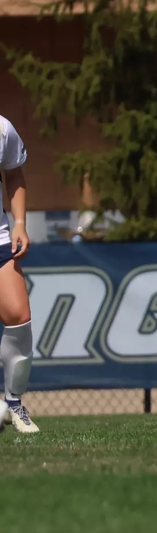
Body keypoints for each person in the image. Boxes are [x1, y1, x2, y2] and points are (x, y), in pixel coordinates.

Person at [0, 115, 37, 433]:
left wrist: (20, 224)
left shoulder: (2, 128)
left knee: (19, 315)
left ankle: (14, 405)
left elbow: (14, 175)